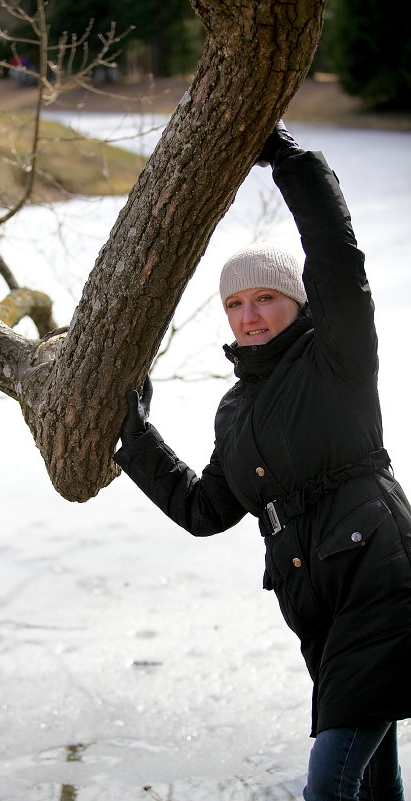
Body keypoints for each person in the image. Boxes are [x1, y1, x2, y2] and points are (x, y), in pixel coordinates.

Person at [114, 122, 411, 800]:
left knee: (330, 784)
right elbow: (204, 508)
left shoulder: (335, 355)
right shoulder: (236, 409)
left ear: (296, 300)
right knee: (372, 781)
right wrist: (135, 436)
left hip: (378, 575)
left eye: (264, 298)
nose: (249, 316)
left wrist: (290, 161)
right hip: (316, 602)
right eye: (235, 304)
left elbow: (336, 253)